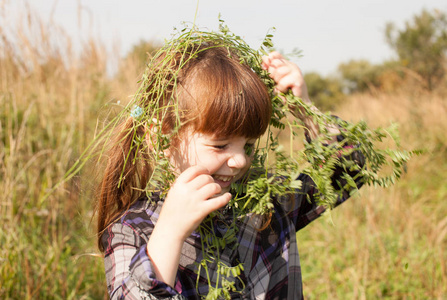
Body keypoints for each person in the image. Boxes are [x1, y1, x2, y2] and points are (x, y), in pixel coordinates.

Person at [96, 36, 365, 299]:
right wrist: (170, 233)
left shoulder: (266, 204)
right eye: (220, 145)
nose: (240, 161)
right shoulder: (134, 229)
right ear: (160, 137)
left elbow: (349, 171)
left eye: (247, 145)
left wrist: (306, 111)